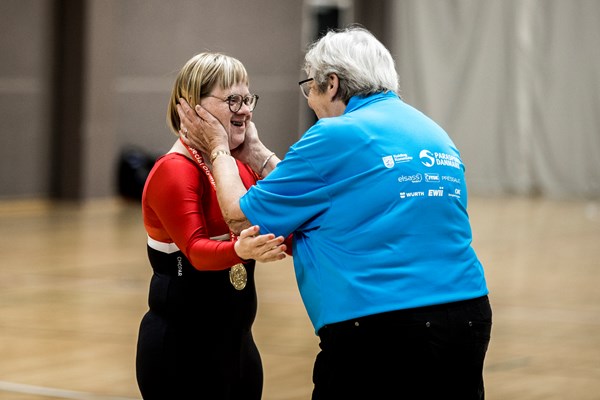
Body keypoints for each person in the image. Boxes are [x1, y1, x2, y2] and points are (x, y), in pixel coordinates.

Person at [178, 26, 492, 400]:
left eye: (309, 86)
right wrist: (259, 154)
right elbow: (328, 191)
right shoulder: (432, 132)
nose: (310, 100)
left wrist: (217, 148)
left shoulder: (335, 136)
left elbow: (240, 217)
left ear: (331, 83)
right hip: (468, 314)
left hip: (382, 327)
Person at [135, 52, 288, 400]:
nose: (246, 110)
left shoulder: (237, 168)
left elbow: (295, 209)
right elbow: (196, 253)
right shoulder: (173, 171)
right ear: (192, 108)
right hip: (179, 354)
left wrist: (259, 155)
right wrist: (239, 250)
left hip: (238, 349)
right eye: (232, 99)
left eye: (248, 98)